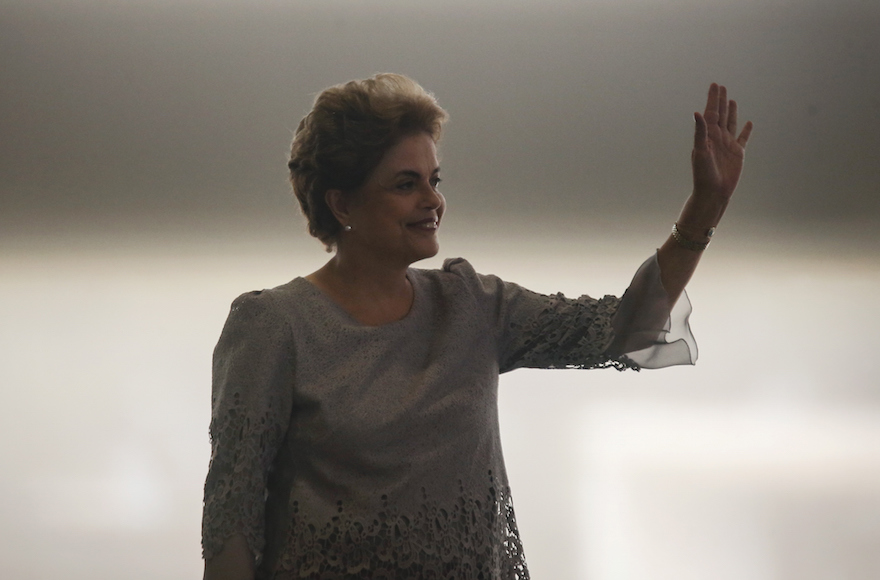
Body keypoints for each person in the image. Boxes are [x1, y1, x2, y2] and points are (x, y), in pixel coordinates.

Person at [201, 73, 753, 580]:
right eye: (405, 184)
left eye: (434, 180)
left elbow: (624, 330)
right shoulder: (274, 325)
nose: (433, 200)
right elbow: (232, 519)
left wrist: (705, 207)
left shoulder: (472, 303)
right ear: (341, 201)